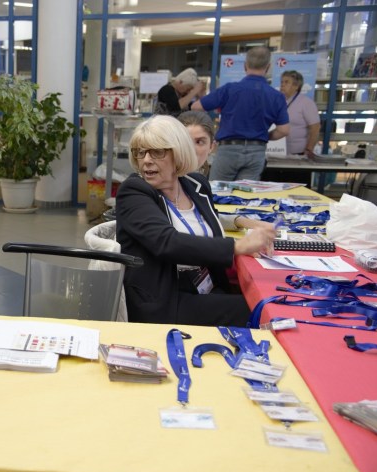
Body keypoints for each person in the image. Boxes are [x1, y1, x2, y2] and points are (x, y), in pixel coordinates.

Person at [114, 115, 277, 327]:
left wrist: (247, 230)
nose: (146, 160)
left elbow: (210, 224)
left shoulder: (195, 184)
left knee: (270, 299)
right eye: (140, 152)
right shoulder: (133, 191)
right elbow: (166, 242)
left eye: (157, 152)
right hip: (166, 300)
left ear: (179, 152)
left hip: (205, 286)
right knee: (263, 312)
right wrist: (237, 247)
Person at [192, 46, 290, 181]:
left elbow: (196, 107)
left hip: (228, 149)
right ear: (268, 67)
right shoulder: (277, 96)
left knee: (216, 190)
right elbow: (284, 130)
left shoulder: (229, 90)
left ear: (245, 65)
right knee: (245, 193)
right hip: (256, 151)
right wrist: (261, 136)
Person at [280, 70, 320, 158]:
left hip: (299, 152)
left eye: (286, 82)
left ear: (296, 86)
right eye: (282, 82)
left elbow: (315, 128)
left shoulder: (306, 103)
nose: (282, 85)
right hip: (278, 151)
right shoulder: (278, 102)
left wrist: (309, 149)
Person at [177, 110, 215, 177]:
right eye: (185, 141)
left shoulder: (202, 181)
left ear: (211, 146)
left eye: (199, 142)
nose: (192, 149)